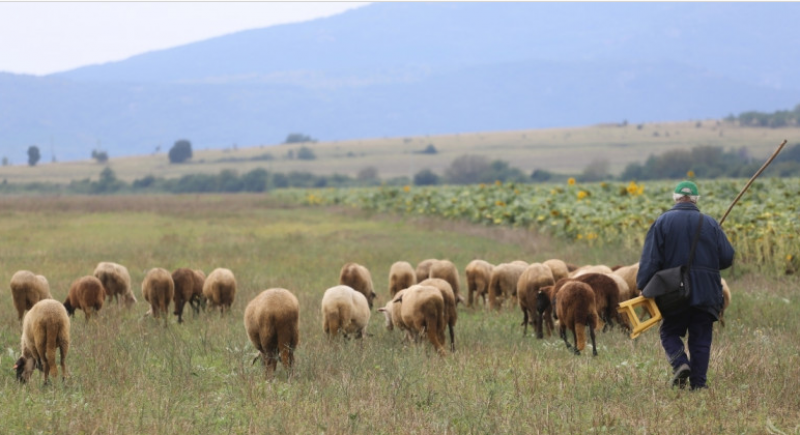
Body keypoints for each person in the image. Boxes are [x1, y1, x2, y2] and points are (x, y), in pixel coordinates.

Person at [637, 180, 735, 390]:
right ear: (696, 199)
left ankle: (680, 363)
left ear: (675, 198)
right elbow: (727, 258)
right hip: (707, 291)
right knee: (701, 338)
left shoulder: (662, 222)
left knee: (669, 332)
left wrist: (643, 285)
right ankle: (698, 385)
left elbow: (650, 260)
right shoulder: (710, 223)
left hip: (674, 292)